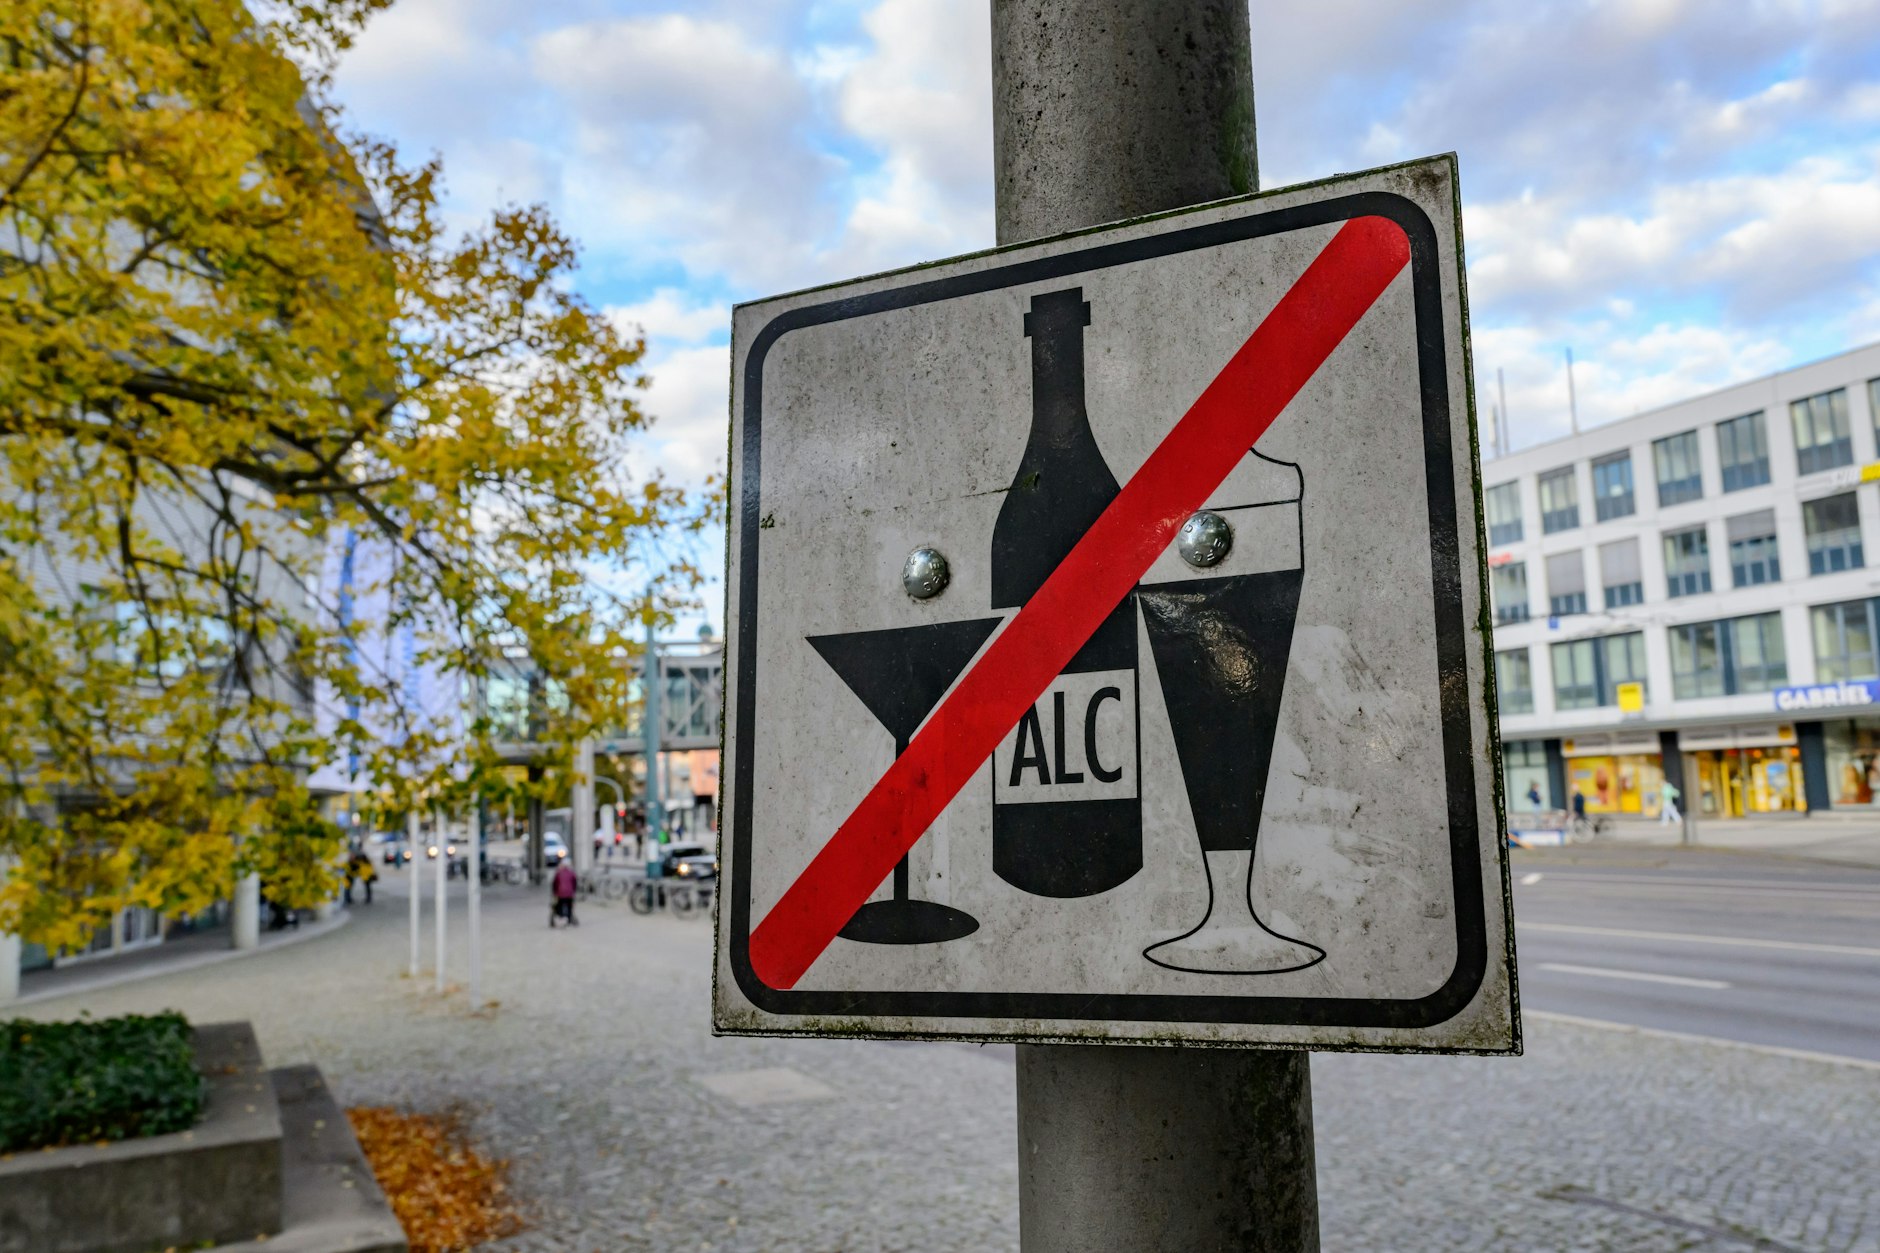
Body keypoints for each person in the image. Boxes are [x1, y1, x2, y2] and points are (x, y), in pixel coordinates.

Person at [550, 859, 578, 927]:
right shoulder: (571, 873)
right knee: (569, 906)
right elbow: (574, 882)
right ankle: (568, 919)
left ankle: (561, 917)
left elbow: (555, 883)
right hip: (570, 893)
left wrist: (555, 892)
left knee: (559, 905)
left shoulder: (558, 873)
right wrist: (573, 891)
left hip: (560, 893)